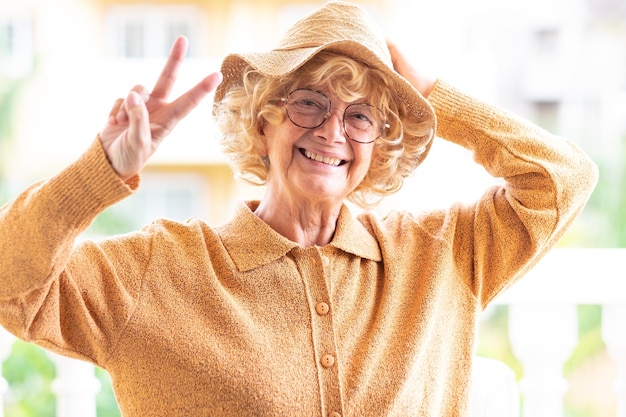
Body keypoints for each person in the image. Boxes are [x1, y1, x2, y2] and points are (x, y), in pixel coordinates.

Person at [0, 1, 597, 416]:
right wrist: (101, 170)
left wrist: (436, 97)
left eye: (361, 115)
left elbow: (563, 178)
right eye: (309, 103)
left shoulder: (439, 256)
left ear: (379, 144)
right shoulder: (160, 269)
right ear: (263, 123)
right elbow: (9, 282)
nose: (333, 131)